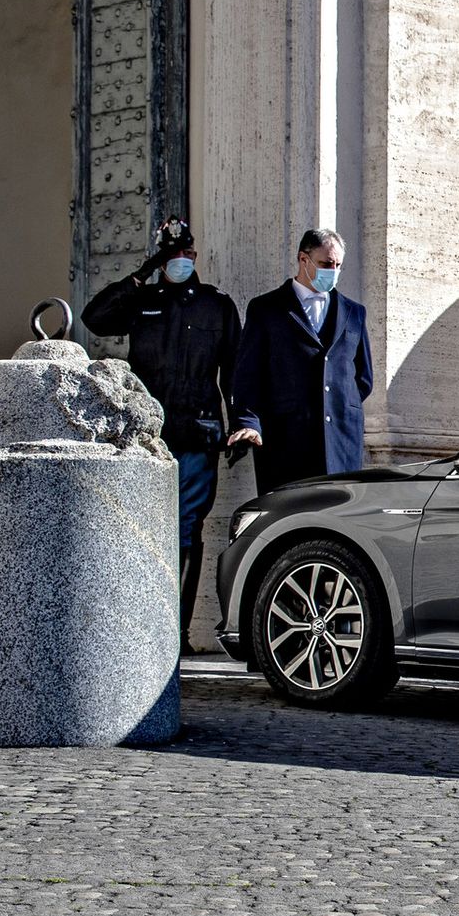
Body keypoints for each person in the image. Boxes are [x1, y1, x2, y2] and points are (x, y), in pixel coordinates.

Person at [80, 216, 242, 653]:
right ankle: (138, 630)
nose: (181, 261)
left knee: (187, 529)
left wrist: (242, 423)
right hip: (145, 439)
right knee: (140, 529)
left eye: (186, 254)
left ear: (195, 256)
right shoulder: (143, 300)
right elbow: (94, 317)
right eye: (171, 256)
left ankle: (177, 634)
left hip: (196, 434)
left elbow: (234, 373)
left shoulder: (217, 306)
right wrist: (143, 272)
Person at [228, 228, 374, 496]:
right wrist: (248, 422)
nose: (333, 270)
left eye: (338, 265)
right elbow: (248, 374)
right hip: (285, 438)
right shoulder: (266, 309)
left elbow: (363, 379)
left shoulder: (355, 312)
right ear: (303, 259)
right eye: (325, 264)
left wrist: (339, 406)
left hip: (341, 440)